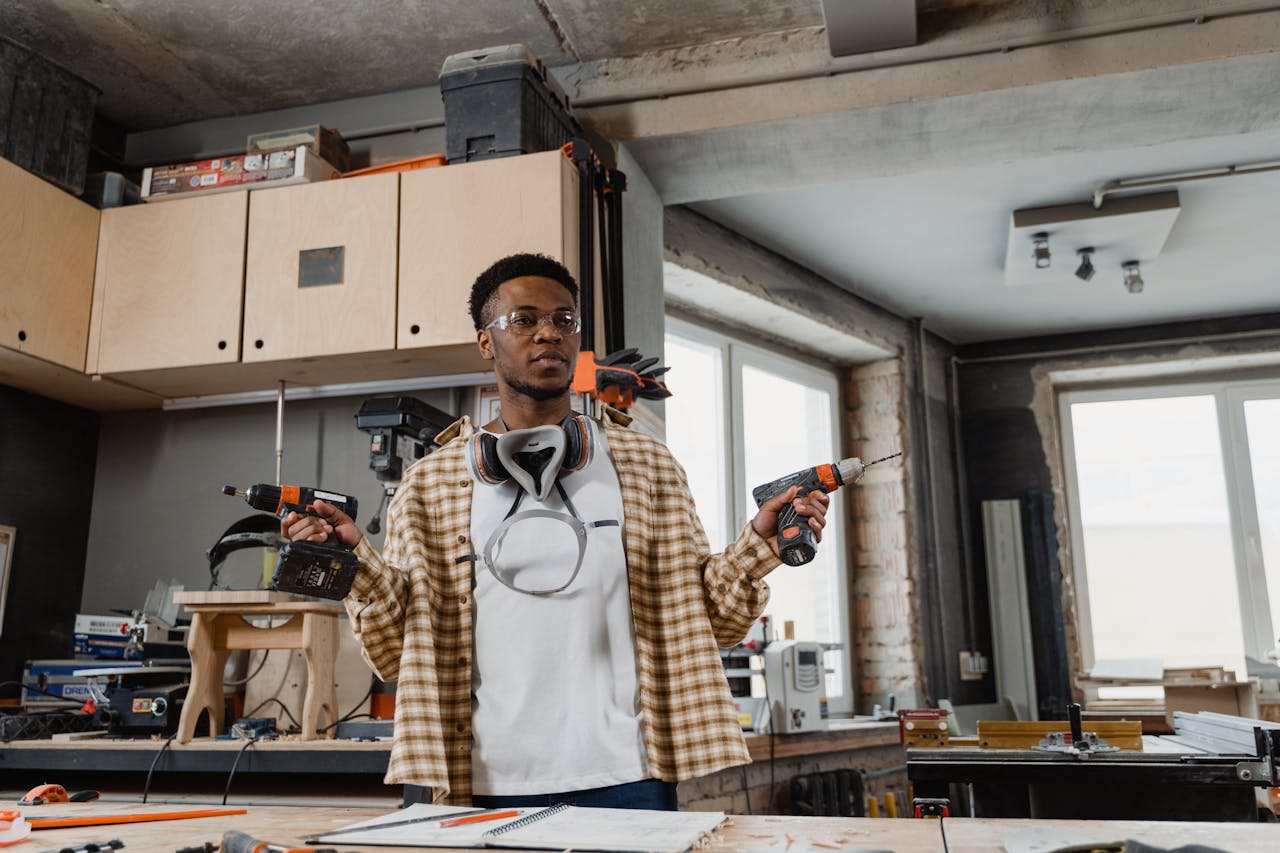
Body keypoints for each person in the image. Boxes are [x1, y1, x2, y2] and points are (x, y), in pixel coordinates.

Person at [281, 253, 829, 809]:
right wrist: (357, 566)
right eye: (523, 319)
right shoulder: (430, 485)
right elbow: (399, 654)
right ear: (486, 342)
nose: (549, 332)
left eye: (564, 320)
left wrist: (759, 545)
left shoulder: (647, 466)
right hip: (479, 780)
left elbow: (711, 622)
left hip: (629, 773)